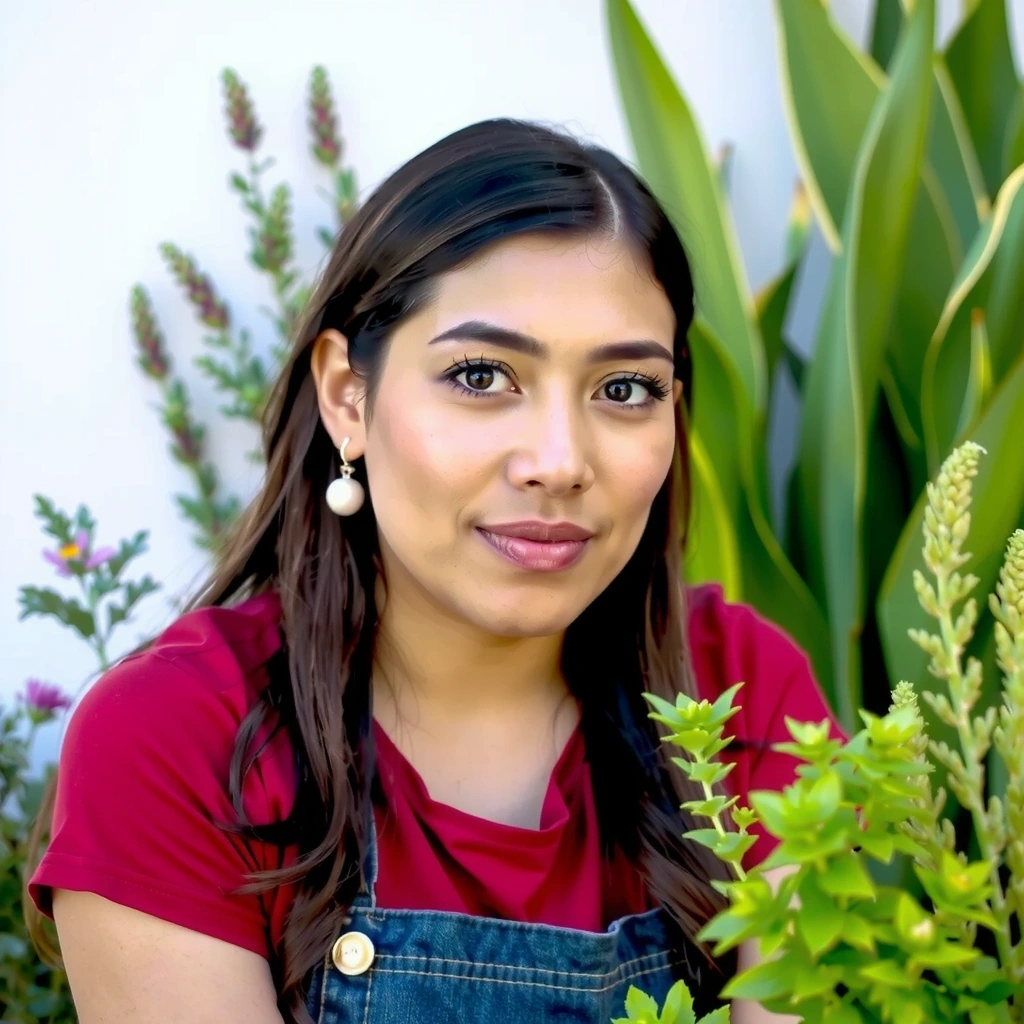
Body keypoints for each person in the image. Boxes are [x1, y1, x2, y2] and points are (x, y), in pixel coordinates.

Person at [28, 118, 843, 1024]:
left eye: (624, 390)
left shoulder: (740, 691)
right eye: (483, 375)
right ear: (348, 395)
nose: (559, 461)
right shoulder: (178, 740)